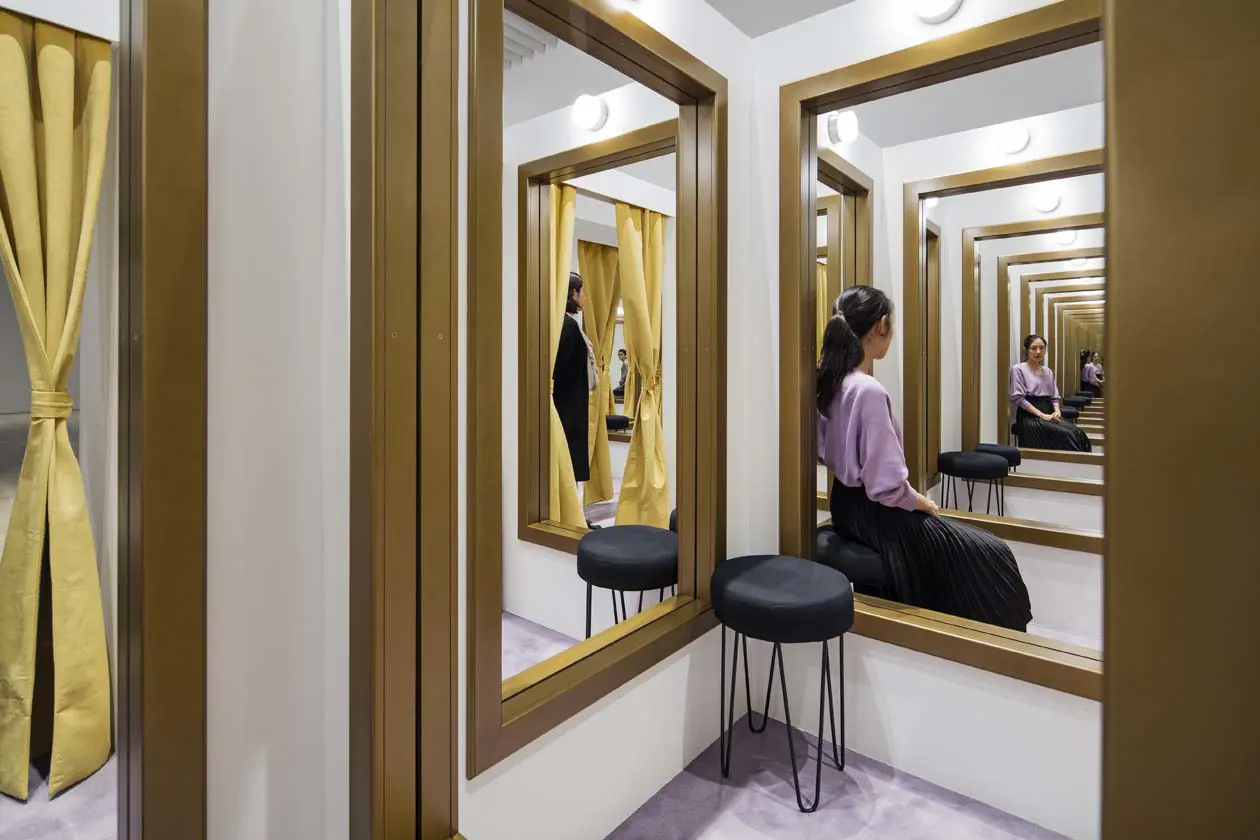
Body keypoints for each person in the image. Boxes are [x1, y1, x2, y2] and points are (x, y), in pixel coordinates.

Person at [818, 286, 1032, 632]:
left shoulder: (830, 383)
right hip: (876, 512)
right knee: (993, 554)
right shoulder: (868, 390)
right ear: (881, 326)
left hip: (843, 504)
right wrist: (921, 502)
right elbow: (885, 487)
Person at [1010, 335, 1092, 451]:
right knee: (1067, 434)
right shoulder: (1018, 369)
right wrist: (1043, 416)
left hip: (1049, 411)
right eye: (1033, 348)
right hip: (1030, 416)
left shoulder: (1048, 371)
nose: (1038, 352)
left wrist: (1057, 412)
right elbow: (1019, 399)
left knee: (1078, 433)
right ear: (1026, 350)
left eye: (1042, 348)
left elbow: (1054, 397)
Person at [554, 272, 598, 482]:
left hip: (569, 403)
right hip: (569, 406)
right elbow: (560, 366)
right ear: (573, 294)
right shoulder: (568, 327)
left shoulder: (566, 324)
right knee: (570, 461)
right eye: (582, 292)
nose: (585, 296)